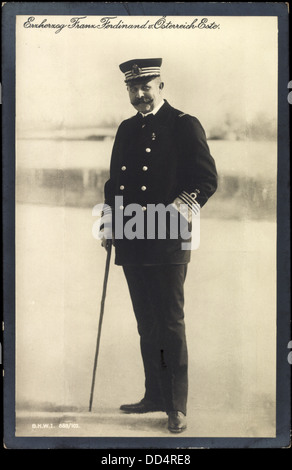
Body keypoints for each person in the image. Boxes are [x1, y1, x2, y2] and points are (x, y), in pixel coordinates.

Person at [100, 58, 217, 433]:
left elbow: (206, 178)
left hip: (167, 240)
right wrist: (108, 223)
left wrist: (177, 210)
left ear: (160, 86)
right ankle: (153, 395)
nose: (138, 95)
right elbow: (114, 181)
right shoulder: (126, 128)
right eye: (132, 89)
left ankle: (176, 407)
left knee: (169, 322)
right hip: (133, 240)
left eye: (145, 87)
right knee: (146, 323)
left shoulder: (184, 124)